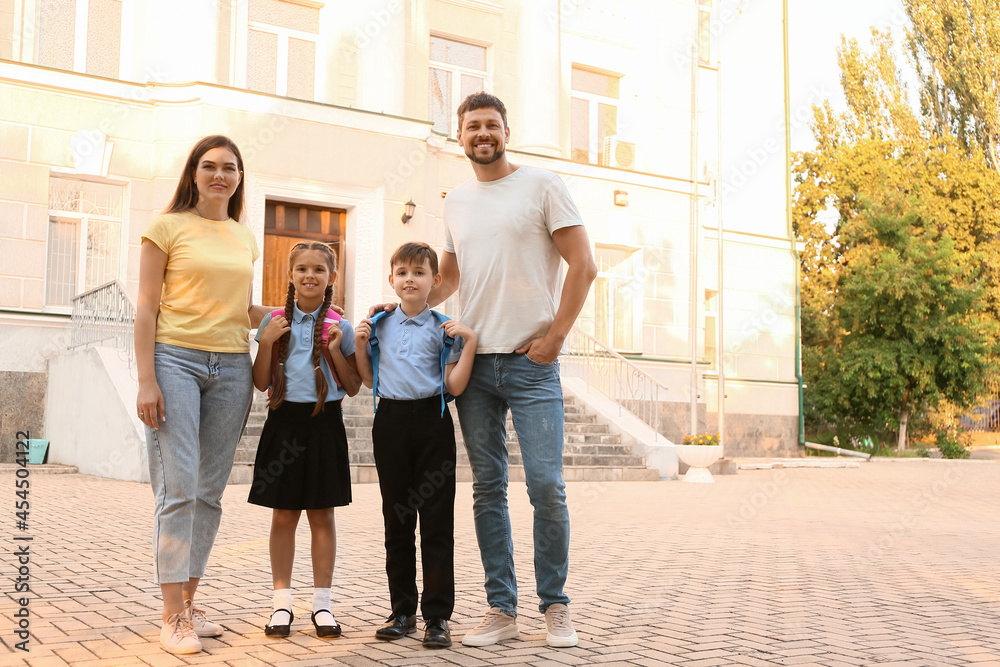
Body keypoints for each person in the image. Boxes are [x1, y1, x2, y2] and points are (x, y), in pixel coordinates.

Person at [434, 93, 597, 648]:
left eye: (491, 125)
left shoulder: (543, 186)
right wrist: (400, 303)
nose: (483, 133)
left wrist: (554, 339)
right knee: (487, 488)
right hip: (474, 364)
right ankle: (501, 610)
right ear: (459, 136)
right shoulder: (455, 200)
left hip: (531, 366)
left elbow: (585, 264)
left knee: (547, 487)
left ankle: (555, 606)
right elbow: (449, 281)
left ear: (507, 131)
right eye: (472, 126)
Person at [135, 135, 273, 654]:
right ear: (193, 173)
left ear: (239, 178)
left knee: (210, 491)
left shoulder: (243, 237)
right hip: (175, 360)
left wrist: (296, 319)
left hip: (233, 366)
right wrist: (147, 379)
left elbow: (238, 307)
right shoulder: (166, 227)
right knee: (179, 487)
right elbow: (147, 306)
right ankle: (171, 616)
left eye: (229, 168)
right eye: (210, 166)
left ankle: (189, 602)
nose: (220, 175)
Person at [354, 242, 479, 649]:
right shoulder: (379, 325)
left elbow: (453, 387)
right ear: (392, 280)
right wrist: (359, 342)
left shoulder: (443, 329)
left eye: (419, 273)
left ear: (435, 281)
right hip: (389, 422)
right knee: (398, 520)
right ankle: (402, 610)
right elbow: (369, 380)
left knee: (437, 523)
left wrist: (470, 342)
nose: (410, 279)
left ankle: (437, 617)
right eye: (402, 272)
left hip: (433, 421)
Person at [249, 241, 362, 640]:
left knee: (322, 515)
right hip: (283, 421)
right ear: (290, 275)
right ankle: (282, 604)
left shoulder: (340, 327)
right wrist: (266, 342)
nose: (310, 276)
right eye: (302, 269)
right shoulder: (274, 322)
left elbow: (352, 387)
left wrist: (334, 350)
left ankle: (323, 605)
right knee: (282, 515)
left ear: (332, 277)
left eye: (319, 269)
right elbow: (261, 381)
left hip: (324, 423)